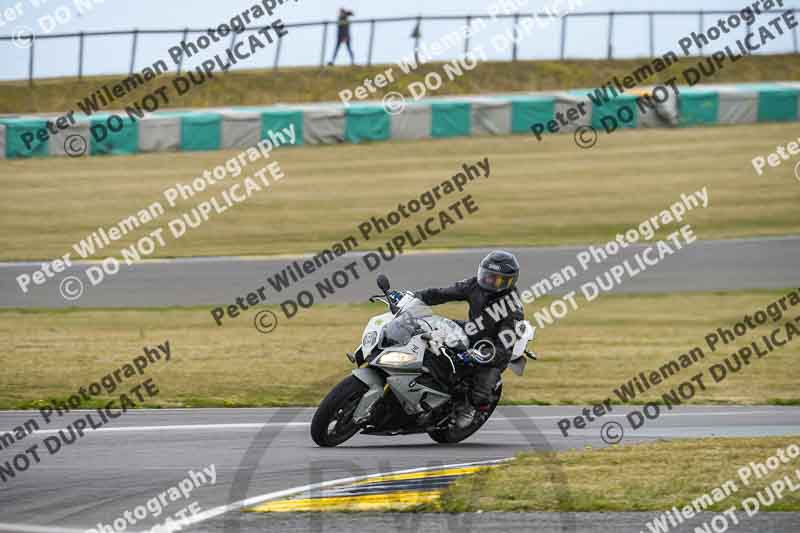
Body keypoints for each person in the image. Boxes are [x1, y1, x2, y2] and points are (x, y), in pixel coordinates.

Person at [414, 250, 524, 428]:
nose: (489, 281)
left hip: (492, 347)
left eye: (495, 279)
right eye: (487, 275)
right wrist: (415, 297)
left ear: (508, 282)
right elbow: (443, 293)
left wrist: (480, 355)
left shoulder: (512, 308)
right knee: (432, 327)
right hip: (471, 331)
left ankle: (472, 408)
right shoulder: (474, 285)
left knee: (481, 387)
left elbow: (504, 349)